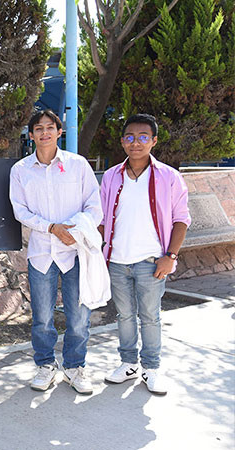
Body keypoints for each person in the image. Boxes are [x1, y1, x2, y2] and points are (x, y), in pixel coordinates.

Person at [9, 110, 103, 395]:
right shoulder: (21, 170)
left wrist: (70, 231)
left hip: (76, 252)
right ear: (32, 134)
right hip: (41, 253)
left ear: (59, 132)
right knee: (42, 318)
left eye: (51, 128)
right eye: (39, 129)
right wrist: (51, 227)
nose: (45, 133)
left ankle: (74, 366)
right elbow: (19, 210)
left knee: (78, 316)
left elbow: (94, 207)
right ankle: (45, 365)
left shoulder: (78, 165)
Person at [99, 113, 190, 395]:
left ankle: (151, 368)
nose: (135, 143)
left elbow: (181, 219)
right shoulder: (111, 176)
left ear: (153, 141)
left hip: (152, 262)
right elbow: (101, 219)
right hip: (117, 261)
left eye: (142, 137)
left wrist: (171, 256)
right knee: (124, 316)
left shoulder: (169, 177)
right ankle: (128, 364)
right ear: (122, 141)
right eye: (129, 137)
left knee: (150, 316)